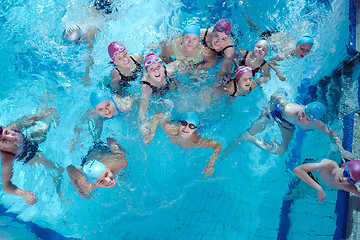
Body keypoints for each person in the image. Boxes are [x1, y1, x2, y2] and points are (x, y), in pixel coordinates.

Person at [237, 92, 354, 159]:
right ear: (304, 108)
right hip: (276, 114)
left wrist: (342, 150)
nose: (301, 118)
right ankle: (243, 138)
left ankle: (252, 140)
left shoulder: (316, 124)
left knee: (282, 150)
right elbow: (275, 95)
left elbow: (333, 133)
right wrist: (270, 109)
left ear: (313, 121)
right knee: (249, 131)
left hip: (287, 124)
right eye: (302, 113)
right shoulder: (288, 109)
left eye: (307, 119)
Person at [0, 107, 63, 205]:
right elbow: (6, 186)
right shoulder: (7, 159)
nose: (11, 137)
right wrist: (23, 194)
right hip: (29, 157)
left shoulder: (13, 127)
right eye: (4, 140)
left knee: (47, 123)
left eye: (7, 132)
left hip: (29, 140)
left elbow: (28, 120)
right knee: (57, 168)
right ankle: (58, 186)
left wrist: (41, 114)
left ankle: (46, 96)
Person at [143, 112, 222, 178]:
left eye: (191, 126)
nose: (186, 128)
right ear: (180, 123)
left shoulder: (196, 141)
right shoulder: (170, 130)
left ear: (194, 129)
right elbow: (158, 116)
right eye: (184, 123)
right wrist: (151, 134)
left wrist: (210, 164)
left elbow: (218, 145)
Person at [241, 10, 314, 81]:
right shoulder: (287, 53)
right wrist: (277, 72)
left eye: (307, 50)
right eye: (302, 48)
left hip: (279, 35)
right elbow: (271, 61)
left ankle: (246, 11)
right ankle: (244, 13)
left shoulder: (303, 46)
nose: (304, 52)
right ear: (297, 45)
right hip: (270, 38)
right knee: (255, 28)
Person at [63, 0, 115, 85]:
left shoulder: (90, 32)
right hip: (96, 6)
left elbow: (90, 57)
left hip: (107, 10)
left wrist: (86, 75)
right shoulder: (72, 28)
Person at [138, 52, 181, 136]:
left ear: (162, 66)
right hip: (155, 93)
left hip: (168, 85)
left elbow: (179, 62)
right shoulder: (146, 86)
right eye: (152, 69)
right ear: (147, 72)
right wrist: (143, 123)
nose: (156, 70)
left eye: (158, 66)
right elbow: (142, 108)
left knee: (177, 88)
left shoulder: (167, 71)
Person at [293, 159, 360, 202]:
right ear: (343, 165)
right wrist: (319, 188)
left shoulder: (346, 186)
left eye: (350, 181)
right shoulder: (328, 166)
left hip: (315, 185)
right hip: (308, 173)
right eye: (346, 173)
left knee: (294, 197)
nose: (344, 179)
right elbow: (297, 170)